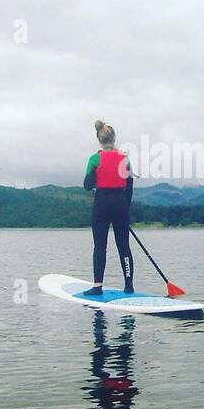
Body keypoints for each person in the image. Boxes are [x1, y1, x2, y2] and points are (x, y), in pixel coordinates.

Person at [83, 120, 134, 295]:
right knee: (124, 246)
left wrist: (95, 173)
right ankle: (129, 286)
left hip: (102, 204)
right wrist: (125, 210)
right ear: (114, 139)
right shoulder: (125, 158)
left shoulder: (94, 159)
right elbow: (129, 187)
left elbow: (87, 185)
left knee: (100, 246)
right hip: (120, 203)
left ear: (100, 140)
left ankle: (97, 286)